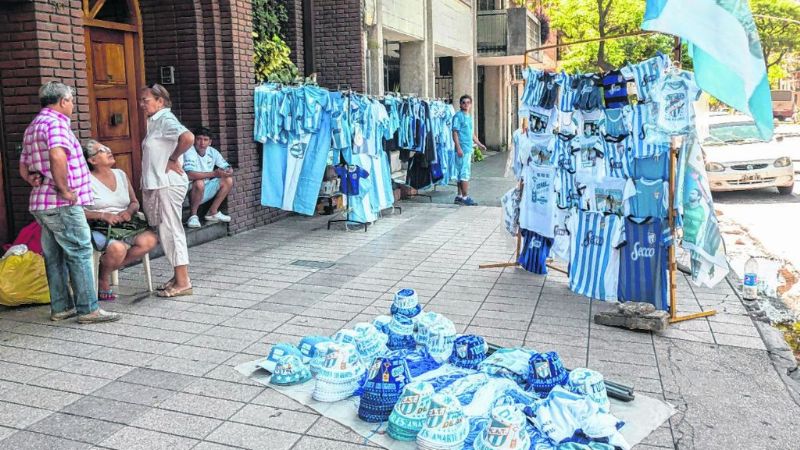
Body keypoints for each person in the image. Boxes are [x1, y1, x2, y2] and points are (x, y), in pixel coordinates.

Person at [19, 81, 121, 323]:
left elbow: (23, 163)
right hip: (60, 203)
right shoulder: (55, 123)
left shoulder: (34, 125)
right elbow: (57, 155)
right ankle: (88, 309)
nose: (72, 106)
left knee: (54, 256)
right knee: (80, 251)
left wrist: (30, 178)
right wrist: (64, 189)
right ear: (63, 101)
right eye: (72, 101)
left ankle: (62, 306)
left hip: (42, 202)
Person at [83, 140, 158, 301]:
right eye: (102, 150)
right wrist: (103, 215)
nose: (108, 151)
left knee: (150, 240)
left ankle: (106, 269)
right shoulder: (86, 180)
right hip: (100, 227)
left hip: (125, 225)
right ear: (92, 160)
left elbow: (134, 202)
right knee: (118, 248)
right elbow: (78, 212)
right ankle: (104, 278)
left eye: (107, 148)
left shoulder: (120, 174)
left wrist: (129, 212)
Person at [139, 83, 194, 297]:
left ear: (160, 101)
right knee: (167, 231)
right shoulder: (155, 121)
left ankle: (183, 281)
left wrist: (173, 158)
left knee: (171, 230)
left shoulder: (165, 119)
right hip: (161, 183)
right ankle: (178, 276)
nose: (142, 104)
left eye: (146, 100)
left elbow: (187, 137)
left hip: (168, 183)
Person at [184, 126, 234, 228]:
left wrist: (228, 170)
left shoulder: (212, 151)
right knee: (199, 182)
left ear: (210, 142)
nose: (202, 143)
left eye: (205, 140)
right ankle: (193, 216)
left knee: (228, 180)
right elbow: (190, 175)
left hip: (204, 188)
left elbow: (226, 166)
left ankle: (212, 212)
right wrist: (214, 174)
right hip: (188, 191)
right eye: (199, 139)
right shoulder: (189, 151)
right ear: (194, 140)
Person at [452, 94, 486, 206]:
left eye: (468, 102)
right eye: (463, 102)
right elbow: (455, 133)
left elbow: (471, 134)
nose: (466, 104)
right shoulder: (458, 117)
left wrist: (479, 144)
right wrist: (458, 148)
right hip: (462, 149)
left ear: (471, 104)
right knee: (464, 173)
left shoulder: (469, 117)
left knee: (460, 172)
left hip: (467, 148)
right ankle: (465, 197)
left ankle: (459, 196)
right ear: (460, 104)